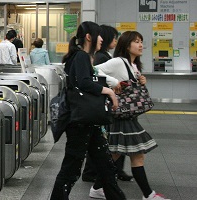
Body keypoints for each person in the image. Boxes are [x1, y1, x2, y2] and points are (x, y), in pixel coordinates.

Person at [50, 21, 126, 200]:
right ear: (89, 37)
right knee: (71, 168)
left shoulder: (80, 56)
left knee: (106, 167)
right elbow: (83, 82)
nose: (101, 39)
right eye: (98, 35)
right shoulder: (81, 56)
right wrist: (108, 91)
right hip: (81, 122)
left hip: (87, 121)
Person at [94, 31, 170, 200]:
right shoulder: (118, 62)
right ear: (126, 45)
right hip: (122, 116)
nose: (141, 45)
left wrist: (142, 80)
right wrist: (113, 83)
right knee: (137, 155)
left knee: (115, 155)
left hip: (126, 116)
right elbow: (93, 70)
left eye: (141, 41)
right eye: (136, 42)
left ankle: (97, 187)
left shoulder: (133, 65)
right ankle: (148, 194)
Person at [82, 25, 133, 186]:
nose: (114, 41)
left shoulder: (104, 55)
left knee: (103, 139)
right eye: (113, 37)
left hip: (104, 103)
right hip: (101, 104)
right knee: (102, 139)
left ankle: (105, 172)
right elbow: (94, 74)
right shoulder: (99, 57)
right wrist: (113, 85)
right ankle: (95, 173)